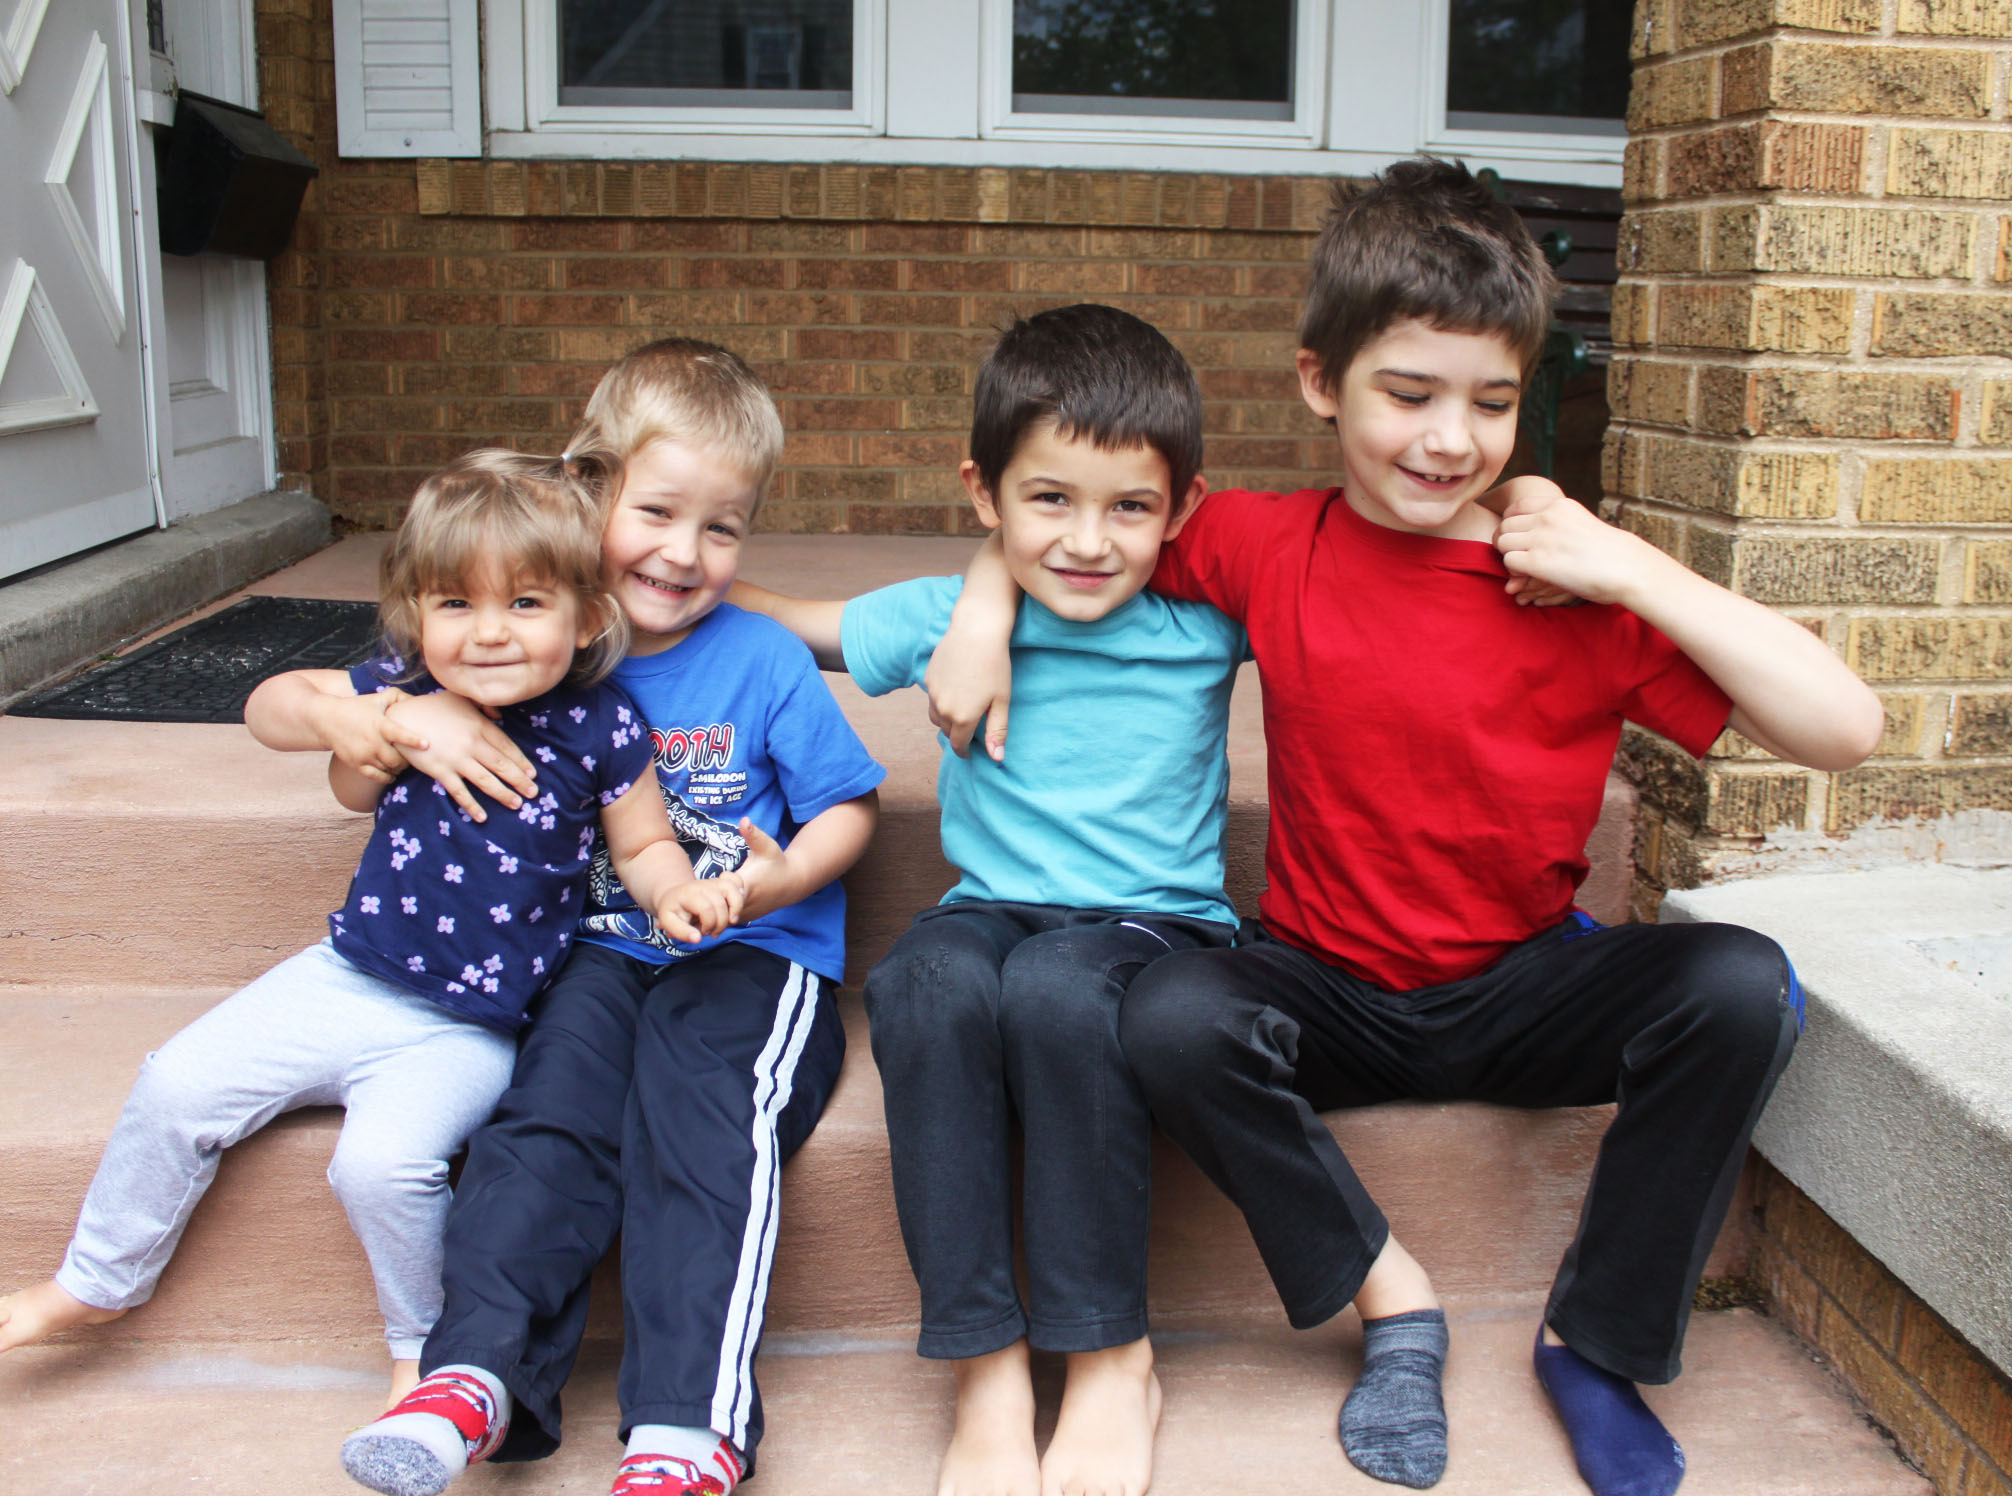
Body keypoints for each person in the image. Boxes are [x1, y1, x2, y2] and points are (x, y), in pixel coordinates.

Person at [929, 160, 1884, 1496]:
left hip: (1527, 976)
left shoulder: (1571, 591)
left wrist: (1626, 564)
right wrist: (981, 603)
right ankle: (1391, 1291)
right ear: (1323, 383)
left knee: (1739, 983)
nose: (1450, 439)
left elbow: (1845, 727)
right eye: (1410, 394)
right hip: (1325, 983)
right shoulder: (1265, 544)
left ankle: (1592, 1343)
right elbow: (1076, 524)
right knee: (1167, 1013)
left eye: (1493, 403)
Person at [0, 450, 733, 1409]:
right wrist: (382, 721)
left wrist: (675, 895)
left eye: (525, 605)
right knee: (174, 1082)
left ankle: (417, 1351)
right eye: (455, 605)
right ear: (416, 617)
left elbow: (640, 848)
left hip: (474, 1026)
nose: (488, 634)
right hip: (347, 975)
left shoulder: (604, 727)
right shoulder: (401, 689)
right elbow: (280, 714)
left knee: (381, 1168)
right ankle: (95, 1283)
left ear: (588, 617)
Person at [304, 340, 885, 1496]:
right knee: (542, 1123)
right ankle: (468, 1375)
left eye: (722, 527)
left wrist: (769, 884)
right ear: (588, 488)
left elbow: (848, 811)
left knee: (703, 1125)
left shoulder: (762, 658)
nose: (685, 551)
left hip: (750, 959)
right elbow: (314, 706)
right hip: (596, 955)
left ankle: (685, 1428)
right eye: (658, 511)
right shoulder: (533, 647)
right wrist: (392, 728)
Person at [734, 303, 1246, 1496]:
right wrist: (638, 558)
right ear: (984, 492)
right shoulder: (940, 615)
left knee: (1062, 992)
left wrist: (990, 589)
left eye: (1130, 506)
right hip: (994, 903)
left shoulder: (1205, 616)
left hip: (1153, 924)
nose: (1086, 539)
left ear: (1181, 508)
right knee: (924, 980)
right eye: (1047, 500)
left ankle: (1110, 1352)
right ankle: (986, 1364)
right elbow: (785, 621)